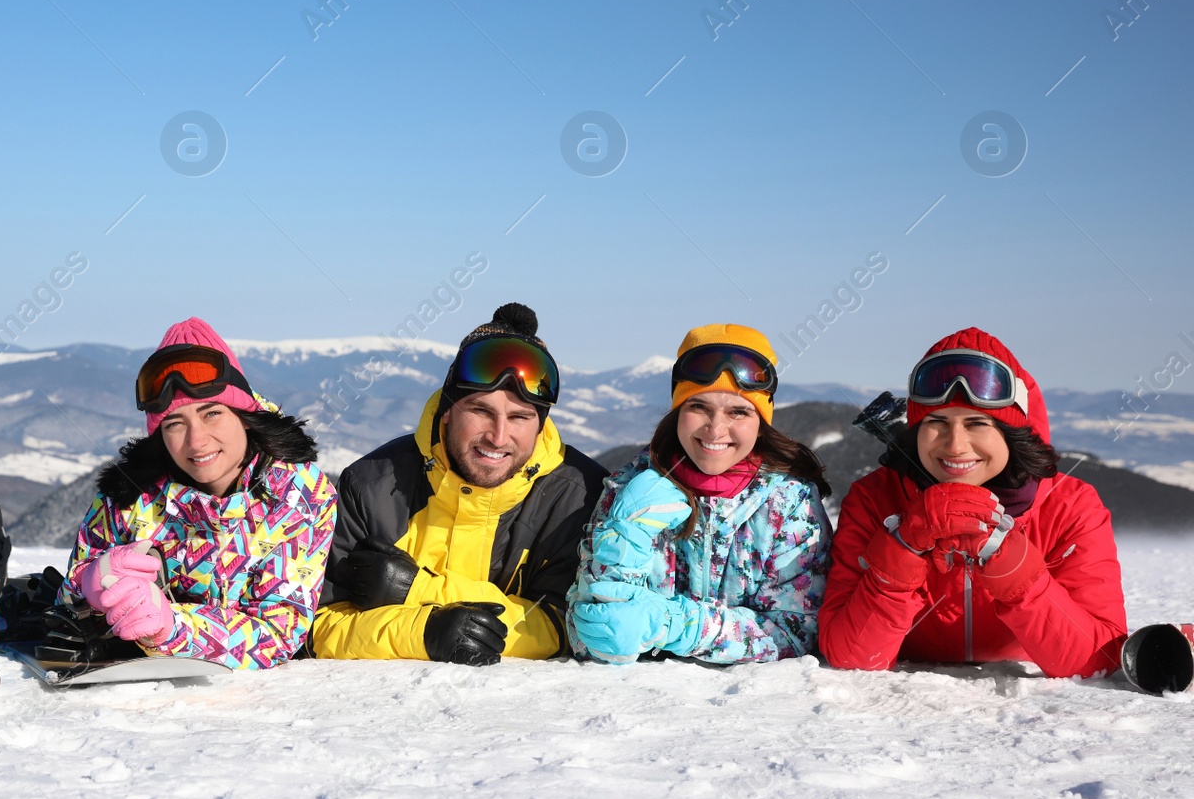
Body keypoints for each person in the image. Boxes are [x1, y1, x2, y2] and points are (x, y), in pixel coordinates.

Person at [309, 303, 607, 665]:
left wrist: (417, 590)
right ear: (447, 410)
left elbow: (567, 623)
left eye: (519, 417)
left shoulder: (579, 497)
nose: (498, 437)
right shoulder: (371, 485)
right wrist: (425, 632)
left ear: (540, 425)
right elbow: (318, 625)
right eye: (481, 411)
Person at [819, 328, 1126, 678]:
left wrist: (1019, 577)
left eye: (977, 423)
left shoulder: (1069, 506)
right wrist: (903, 548)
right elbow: (850, 656)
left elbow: (1100, 660)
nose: (955, 445)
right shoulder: (875, 499)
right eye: (937, 422)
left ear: (1011, 435)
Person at [59, 317, 336, 670]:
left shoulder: (299, 496)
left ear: (244, 416)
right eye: (175, 424)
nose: (197, 441)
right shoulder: (131, 494)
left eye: (212, 414)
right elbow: (66, 600)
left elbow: (278, 633)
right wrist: (89, 586)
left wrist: (171, 628)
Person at [567, 324, 832, 665]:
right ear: (678, 410)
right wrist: (622, 548)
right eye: (699, 407)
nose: (716, 429)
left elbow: (797, 633)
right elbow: (586, 634)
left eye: (738, 411)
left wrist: (677, 626)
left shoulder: (788, 504)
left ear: (761, 421)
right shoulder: (629, 489)